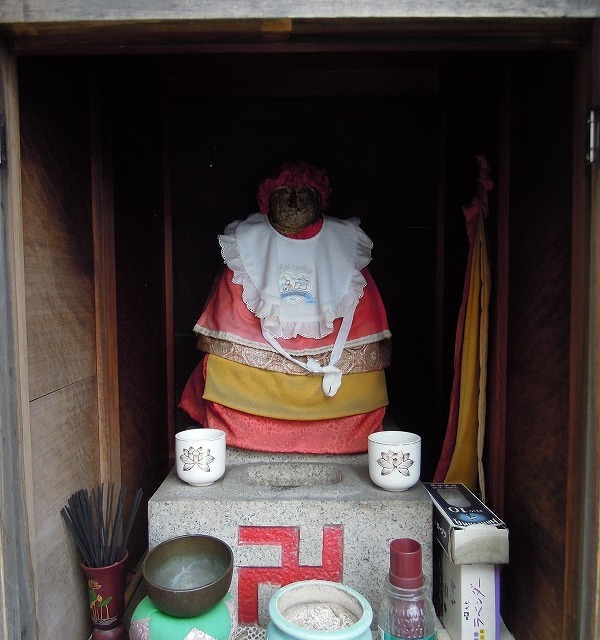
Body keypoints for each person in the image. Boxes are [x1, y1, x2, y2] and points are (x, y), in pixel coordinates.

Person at [179, 161, 391, 453]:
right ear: (267, 200)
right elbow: (227, 322)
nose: (293, 202)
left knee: (362, 381)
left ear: (320, 200)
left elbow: (366, 319)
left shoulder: (345, 242)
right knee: (224, 369)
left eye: (303, 193)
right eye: (284, 193)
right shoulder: (246, 243)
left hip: (334, 365)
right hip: (259, 364)